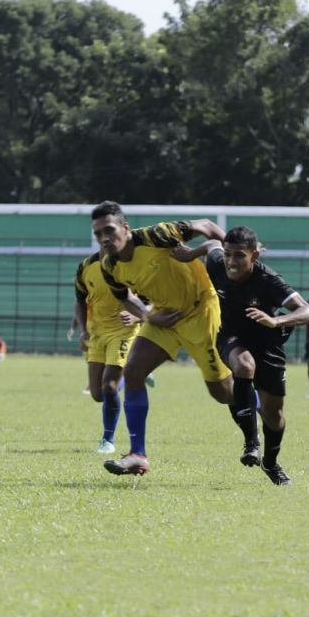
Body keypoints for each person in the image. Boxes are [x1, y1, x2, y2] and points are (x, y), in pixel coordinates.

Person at [91, 200, 230, 476]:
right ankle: (137, 455)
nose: (105, 238)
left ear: (125, 228)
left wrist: (238, 253)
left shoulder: (158, 235)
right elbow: (124, 297)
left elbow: (207, 225)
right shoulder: (109, 266)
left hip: (200, 311)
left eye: (109, 230)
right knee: (132, 371)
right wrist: (148, 316)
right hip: (164, 317)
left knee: (224, 393)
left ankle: (259, 403)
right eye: (98, 234)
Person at [194, 227, 309, 485]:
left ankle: (270, 463)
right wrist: (188, 254)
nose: (231, 261)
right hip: (231, 337)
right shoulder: (218, 264)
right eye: (228, 254)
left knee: (274, 414)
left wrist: (275, 320)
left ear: (255, 255)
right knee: (243, 366)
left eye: (239, 255)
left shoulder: (269, 280)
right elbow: (210, 245)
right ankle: (251, 443)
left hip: (268, 343)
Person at [74, 249, 146, 455]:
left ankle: (107, 439)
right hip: (97, 334)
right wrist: (83, 330)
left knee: (109, 384)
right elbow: (80, 299)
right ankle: (133, 373)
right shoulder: (87, 265)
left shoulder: (134, 264)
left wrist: (137, 317)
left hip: (124, 333)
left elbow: (152, 300)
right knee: (98, 394)